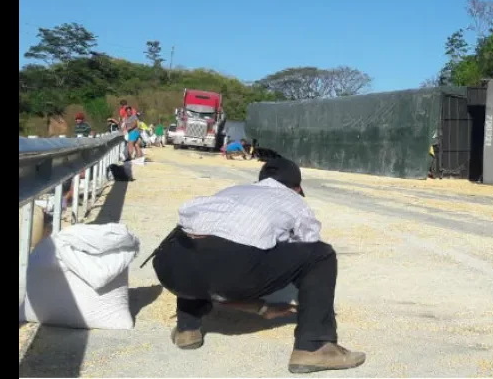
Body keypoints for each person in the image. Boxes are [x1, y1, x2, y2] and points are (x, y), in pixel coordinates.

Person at [150, 158, 366, 373]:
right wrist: (261, 305)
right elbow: (308, 244)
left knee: (199, 246)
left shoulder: (233, 190)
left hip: (170, 267)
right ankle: (315, 346)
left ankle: (187, 328)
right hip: (227, 272)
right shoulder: (294, 200)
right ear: (297, 188)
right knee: (321, 255)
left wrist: (261, 308)